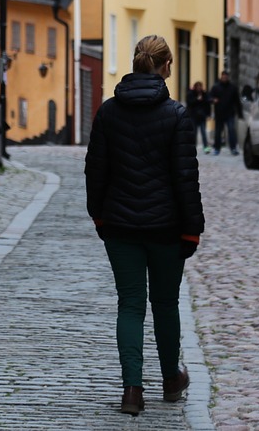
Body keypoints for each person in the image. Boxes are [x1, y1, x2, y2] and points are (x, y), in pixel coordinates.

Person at [86, 35, 204, 417]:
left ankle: (132, 391)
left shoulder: (108, 112)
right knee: (166, 304)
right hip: (167, 229)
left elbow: (95, 172)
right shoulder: (177, 115)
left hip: (120, 225)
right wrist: (192, 228)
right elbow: (186, 178)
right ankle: (171, 380)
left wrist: (100, 216)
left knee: (131, 305)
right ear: (166, 66)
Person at [209, 70, 242, 155]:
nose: (224, 78)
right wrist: (213, 100)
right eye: (223, 76)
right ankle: (217, 148)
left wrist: (240, 113)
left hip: (229, 113)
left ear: (228, 77)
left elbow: (237, 101)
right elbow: (209, 98)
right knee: (218, 132)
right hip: (219, 113)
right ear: (221, 77)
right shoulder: (216, 87)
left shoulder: (232, 88)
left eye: (226, 76)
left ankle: (233, 148)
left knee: (231, 130)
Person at [185, 80, 211, 153]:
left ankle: (206, 147)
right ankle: (193, 147)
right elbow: (189, 103)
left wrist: (208, 114)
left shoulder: (204, 94)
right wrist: (197, 99)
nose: (199, 88)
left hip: (202, 116)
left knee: (203, 132)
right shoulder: (191, 94)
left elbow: (207, 104)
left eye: (200, 87)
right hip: (193, 116)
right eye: (198, 87)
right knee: (194, 133)